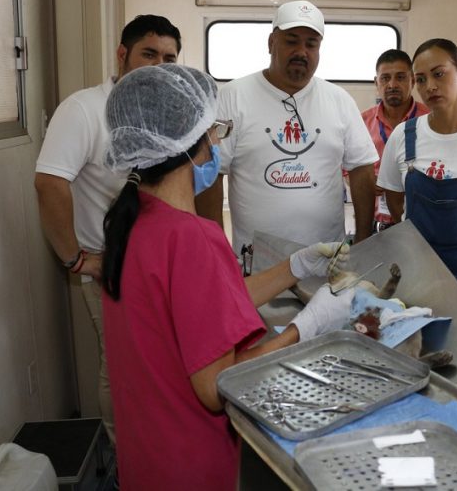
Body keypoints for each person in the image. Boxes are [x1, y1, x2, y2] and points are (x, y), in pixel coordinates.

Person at [101, 63, 354, 490]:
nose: (217, 144)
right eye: (215, 132)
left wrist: (294, 266)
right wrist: (307, 327)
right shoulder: (192, 238)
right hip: (191, 465)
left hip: (145, 455)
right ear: (190, 145)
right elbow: (218, 386)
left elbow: (206, 304)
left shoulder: (133, 222)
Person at [34, 14, 182, 446]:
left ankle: (152, 447)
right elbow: (49, 183)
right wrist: (78, 260)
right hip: (112, 268)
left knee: (158, 363)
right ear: (122, 55)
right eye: (149, 54)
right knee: (118, 367)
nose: (159, 67)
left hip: (157, 265)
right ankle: (124, 456)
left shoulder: (161, 112)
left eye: (169, 59)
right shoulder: (84, 109)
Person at [217, 0, 378, 260]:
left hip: (326, 261)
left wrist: (363, 240)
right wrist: (216, 248)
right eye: (291, 41)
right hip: (257, 263)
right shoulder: (232, 97)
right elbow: (213, 174)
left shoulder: (339, 101)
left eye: (311, 44)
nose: (302, 52)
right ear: (271, 43)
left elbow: (362, 168)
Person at [377, 39, 457, 293]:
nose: (430, 86)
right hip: (416, 273)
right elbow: (396, 204)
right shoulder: (403, 136)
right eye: (420, 79)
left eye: (439, 74)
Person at [360, 49, 429, 233]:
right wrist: (366, 181)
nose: (392, 85)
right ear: (376, 83)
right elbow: (348, 172)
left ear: (412, 80)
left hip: (419, 227)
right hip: (375, 227)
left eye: (400, 77)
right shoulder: (361, 123)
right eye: (385, 78)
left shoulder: (430, 120)